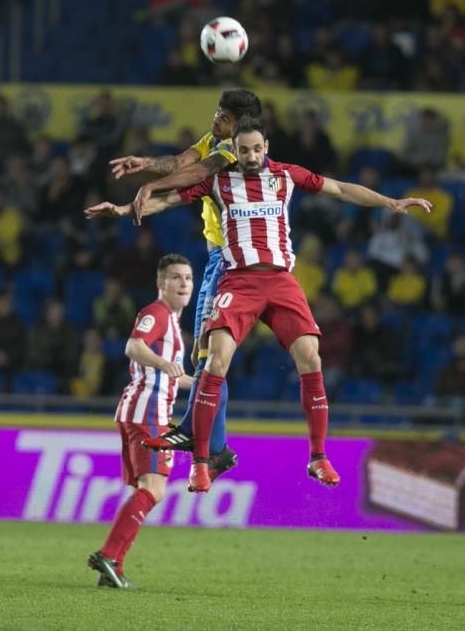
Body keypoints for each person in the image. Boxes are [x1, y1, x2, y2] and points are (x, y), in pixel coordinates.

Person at [94, 117, 432, 493]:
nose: (251, 155)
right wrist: (125, 211)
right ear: (233, 152)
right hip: (240, 281)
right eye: (244, 150)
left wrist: (391, 202)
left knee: (311, 357)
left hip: (282, 281)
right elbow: (170, 199)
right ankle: (202, 463)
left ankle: (318, 457)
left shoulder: (286, 176)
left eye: (257, 148)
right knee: (215, 360)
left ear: (266, 147)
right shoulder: (219, 182)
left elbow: (339, 189)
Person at [87, 90, 262, 478]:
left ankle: (215, 450)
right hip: (228, 258)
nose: (216, 117)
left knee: (208, 362)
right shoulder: (215, 142)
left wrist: (153, 186)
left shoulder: (234, 155)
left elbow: (198, 173)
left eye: (224, 115)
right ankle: (216, 449)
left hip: (230, 260)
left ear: (241, 125)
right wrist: (146, 165)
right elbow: (184, 161)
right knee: (209, 361)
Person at [88, 254, 194, 588]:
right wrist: (165, 364)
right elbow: (133, 346)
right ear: (161, 283)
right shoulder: (157, 313)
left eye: (188, 278)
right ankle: (109, 556)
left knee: (147, 489)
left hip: (147, 410)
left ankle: (113, 567)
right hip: (147, 412)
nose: (183, 284)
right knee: (153, 489)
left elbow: (169, 373)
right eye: (175, 277)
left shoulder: (173, 323)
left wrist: (199, 382)